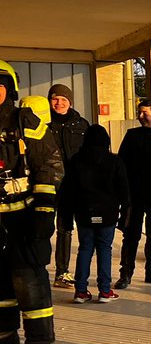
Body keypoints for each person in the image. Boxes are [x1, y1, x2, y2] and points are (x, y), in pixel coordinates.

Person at [0, 62, 64, 344]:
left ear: (10, 89)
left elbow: (49, 164)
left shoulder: (23, 119)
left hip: (24, 214)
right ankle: (4, 332)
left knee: (27, 276)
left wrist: (44, 210)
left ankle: (40, 337)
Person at [59, 125, 129, 304]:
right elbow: (124, 191)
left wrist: (66, 219)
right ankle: (104, 290)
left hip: (83, 212)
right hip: (107, 213)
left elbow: (67, 192)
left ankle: (80, 291)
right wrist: (125, 216)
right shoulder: (114, 161)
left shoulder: (76, 161)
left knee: (85, 248)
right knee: (105, 249)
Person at [116, 98, 151, 288]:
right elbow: (121, 164)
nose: (140, 116)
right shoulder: (132, 136)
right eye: (139, 112)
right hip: (134, 194)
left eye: (144, 113)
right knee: (131, 235)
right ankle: (125, 274)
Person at [47, 83, 89, 288]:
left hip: (74, 184)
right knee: (43, 228)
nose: (59, 103)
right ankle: (37, 268)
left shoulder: (82, 124)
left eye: (63, 99)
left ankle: (62, 272)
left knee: (66, 228)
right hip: (48, 183)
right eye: (55, 99)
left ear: (70, 102)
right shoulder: (42, 123)